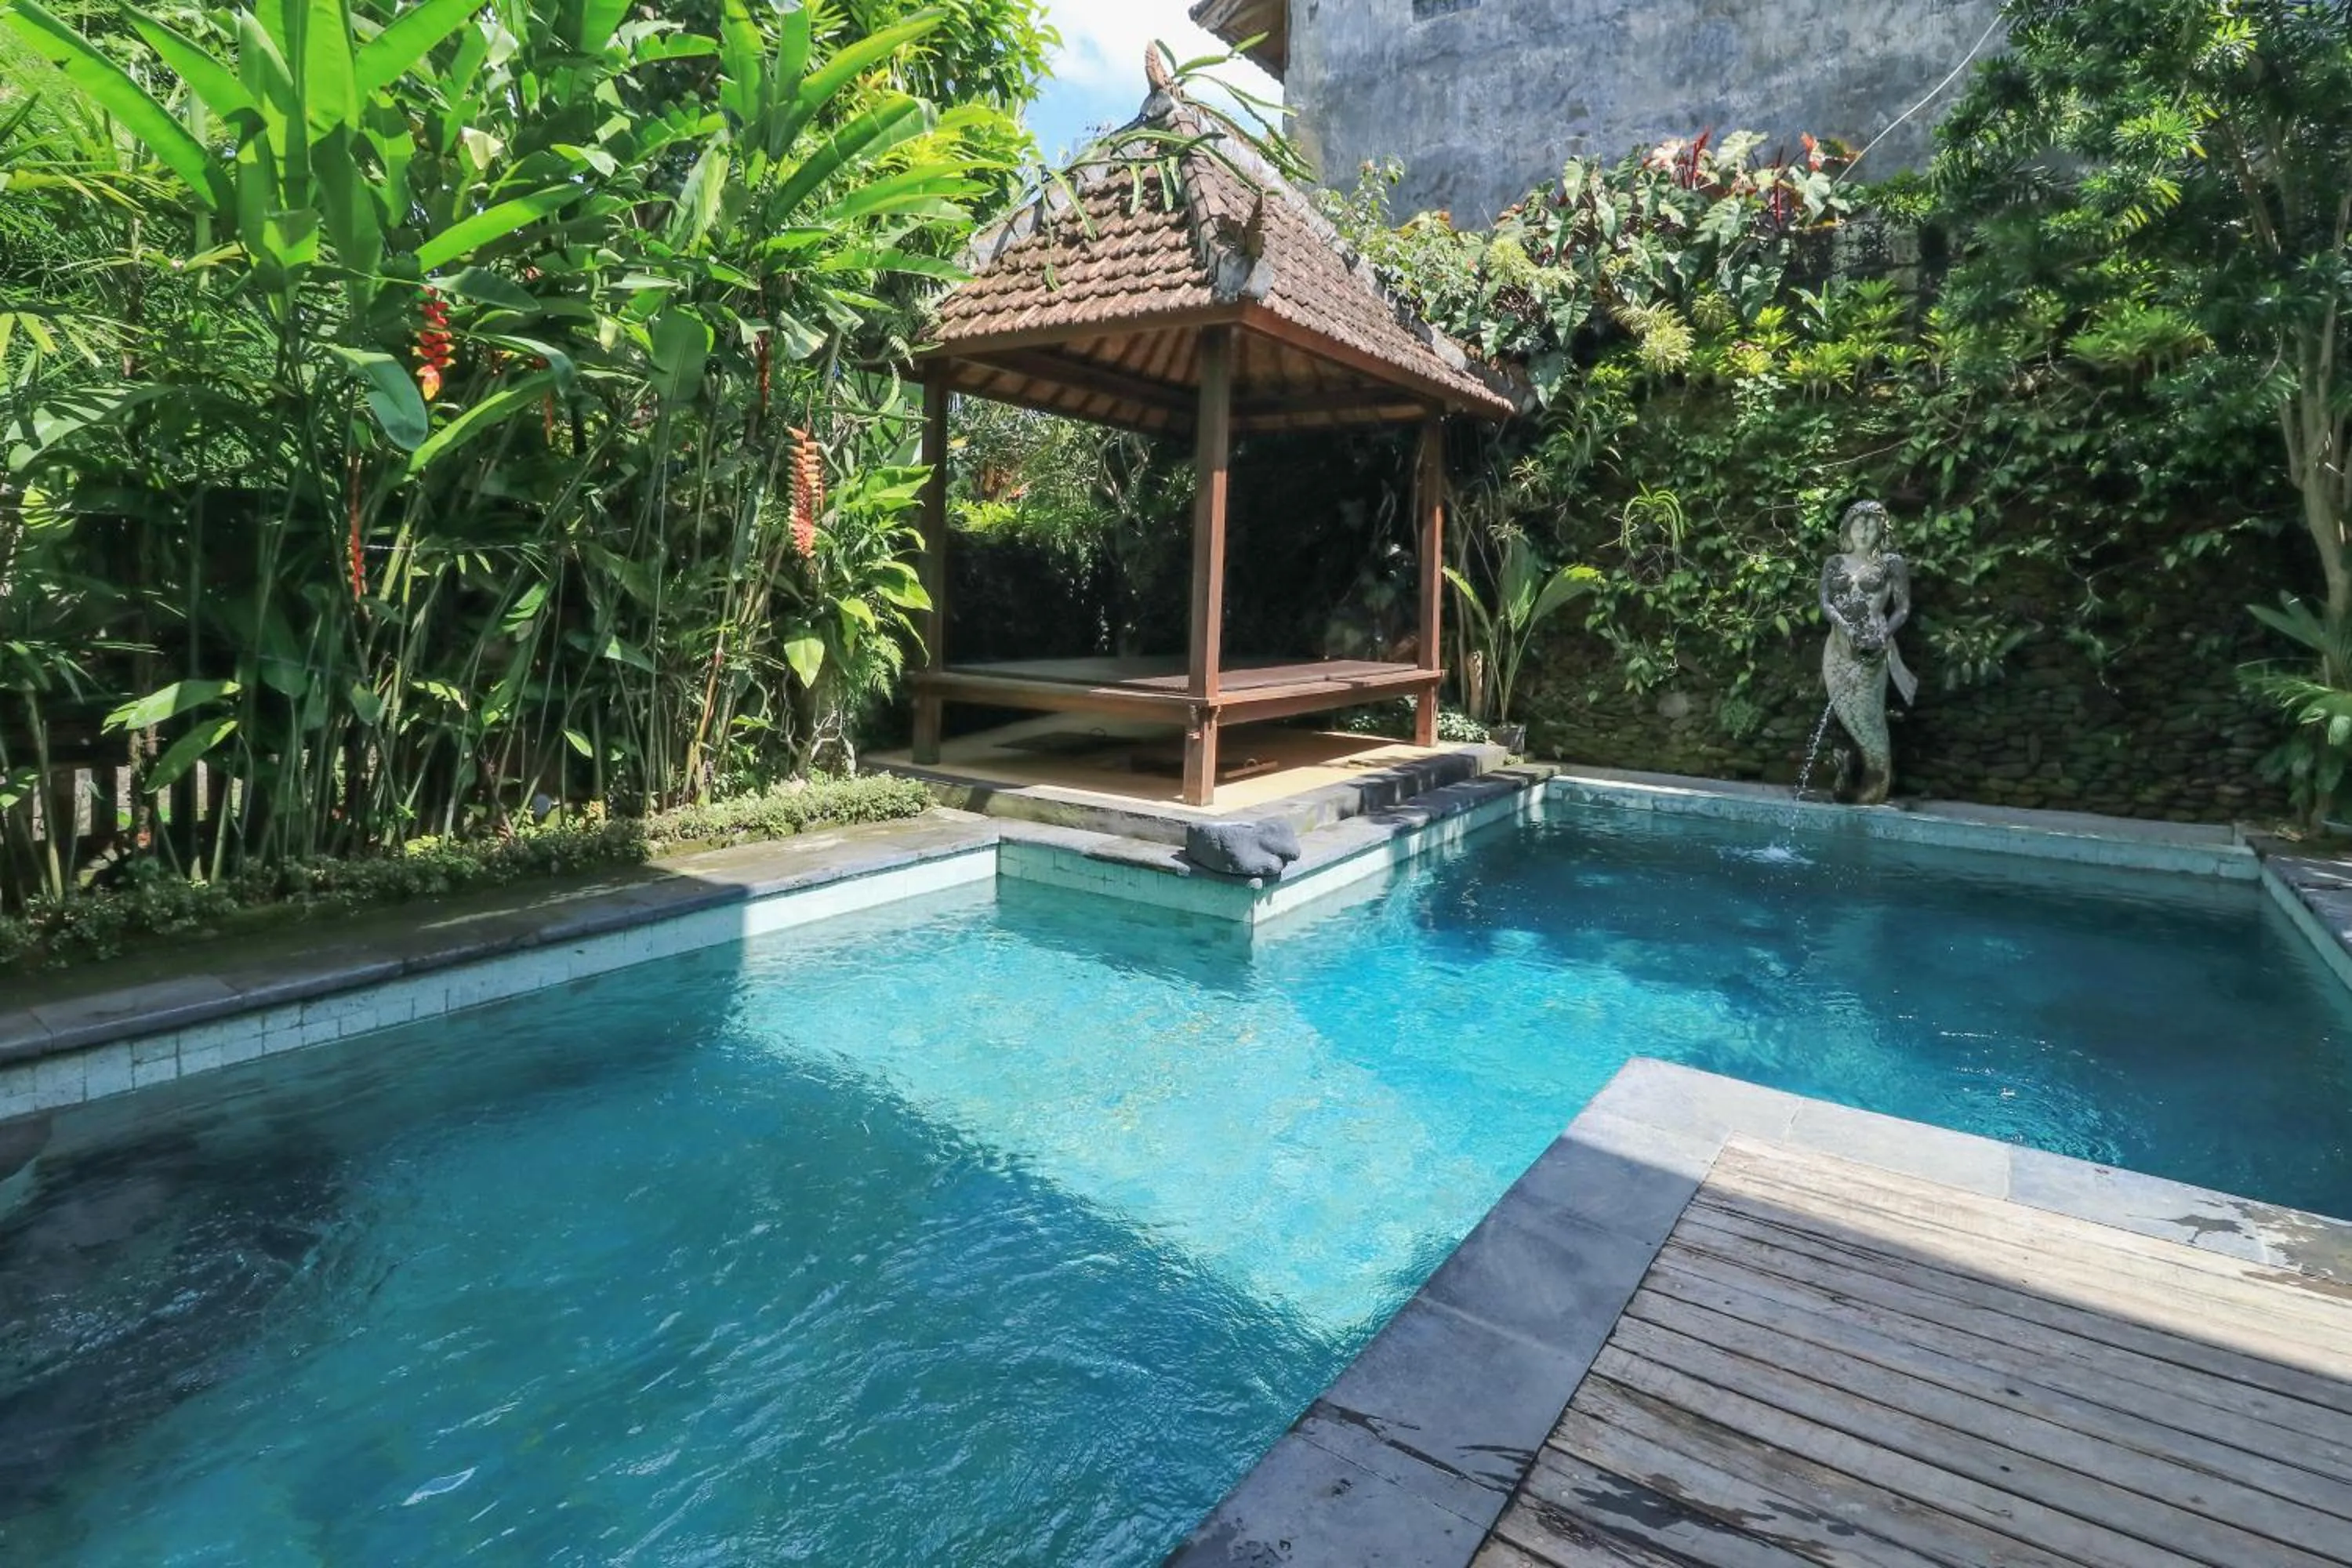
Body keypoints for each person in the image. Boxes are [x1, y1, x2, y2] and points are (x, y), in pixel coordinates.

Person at [1819, 500, 1916, 804]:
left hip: (1872, 646)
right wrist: (1846, 628)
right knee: (1841, 709)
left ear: (1881, 531)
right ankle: (1846, 770)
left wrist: (1882, 634)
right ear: (1848, 528)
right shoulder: (1834, 562)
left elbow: (1902, 608)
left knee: (1870, 716)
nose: (1864, 530)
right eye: (1859, 524)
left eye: (1871, 525)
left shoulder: (1892, 563)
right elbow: (1825, 602)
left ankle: (1876, 780)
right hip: (1837, 646)